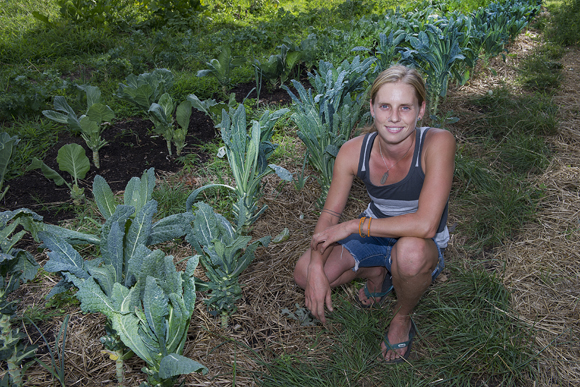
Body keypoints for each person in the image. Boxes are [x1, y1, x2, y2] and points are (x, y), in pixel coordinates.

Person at [293, 65, 456, 363]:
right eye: (385, 106)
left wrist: (355, 225)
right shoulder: (353, 150)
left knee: (409, 254)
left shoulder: (438, 142)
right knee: (304, 272)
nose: (394, 117)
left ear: (421, 110)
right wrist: (316, 264)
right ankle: (377, 271)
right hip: (376, 233)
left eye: (405, 107)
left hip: (418, 242)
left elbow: (426, 224)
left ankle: (402, 316)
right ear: (372, 108)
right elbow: (330, 213)